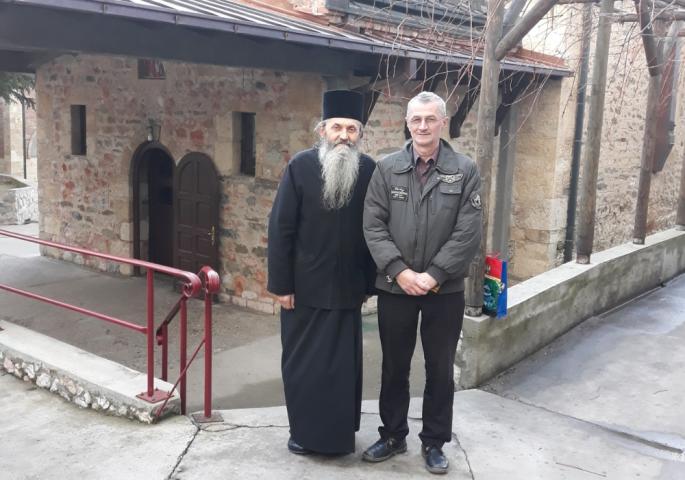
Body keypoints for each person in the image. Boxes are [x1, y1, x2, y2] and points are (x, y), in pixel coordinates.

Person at [362, 91, 482, 474]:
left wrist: (434, 275)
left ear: (442, 122)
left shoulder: (464, 170)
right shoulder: (387, 168)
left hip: (444, 290)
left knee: (440, 368)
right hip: (395, 287)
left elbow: (468, 231)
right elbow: (373, 225)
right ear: (408, 123)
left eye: (431, 119)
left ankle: (434, 441)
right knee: (394, 366)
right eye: (416, 119)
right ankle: (393, 435)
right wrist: (400, 271)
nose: (423, 126)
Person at [267, 90, 376, 455]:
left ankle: (338, 439)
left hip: (347, 290)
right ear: (322, 130)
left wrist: (368, 282)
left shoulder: (369, 170)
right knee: (303, 368)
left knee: (341, 372)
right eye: (337, 127)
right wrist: (281, 285)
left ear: (359, 134)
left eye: (351, 129)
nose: (344, 135)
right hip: (303, 291)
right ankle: (305, 435)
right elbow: (280, 227)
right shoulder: (300, 167)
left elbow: (374, 229)